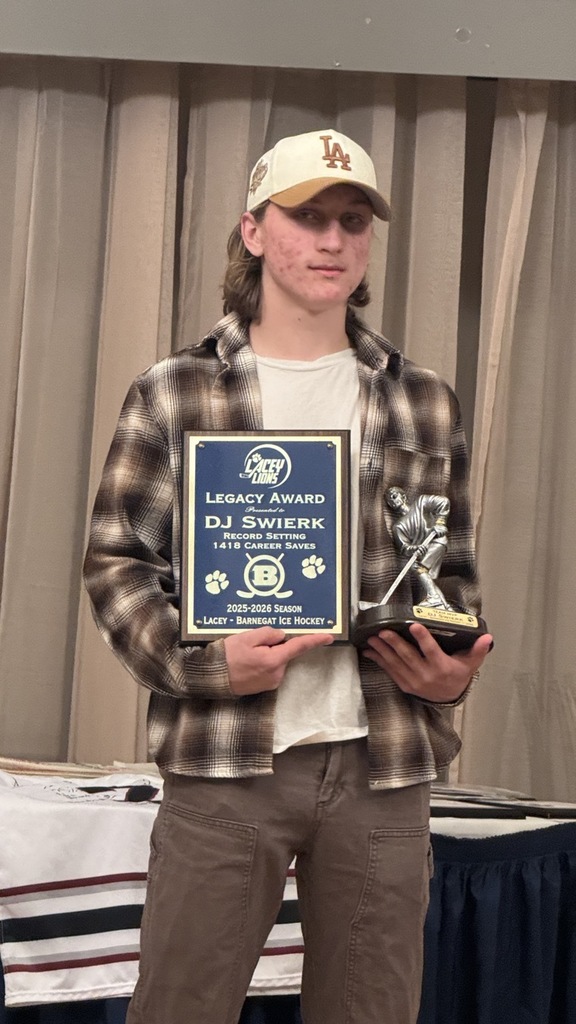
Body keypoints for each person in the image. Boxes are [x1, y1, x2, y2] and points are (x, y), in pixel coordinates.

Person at [83, 128, 493, 1024]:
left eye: (352, 220)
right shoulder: (174, 390)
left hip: (384, 762)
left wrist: (453, 669)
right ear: (256, 232)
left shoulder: (422, 398)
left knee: (372, 1010)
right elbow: (117, 566)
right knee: (181, 1006)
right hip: (226, 760)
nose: (332, 240)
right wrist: (208, 664)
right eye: (308, 217)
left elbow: (447, 572)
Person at [385, 485, 452, 608]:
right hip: (425, 550)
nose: (392, 501)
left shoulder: (421, 503)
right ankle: (445, 606)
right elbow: (404, 548)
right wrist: (416, 548)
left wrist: (440, 522)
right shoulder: (398, 526)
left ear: (403, 496)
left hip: (437, 542)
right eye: (389, 501)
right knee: (426, 576)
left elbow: (443, 502)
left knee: (418, 568)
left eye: (394, 496)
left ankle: (434, 598)